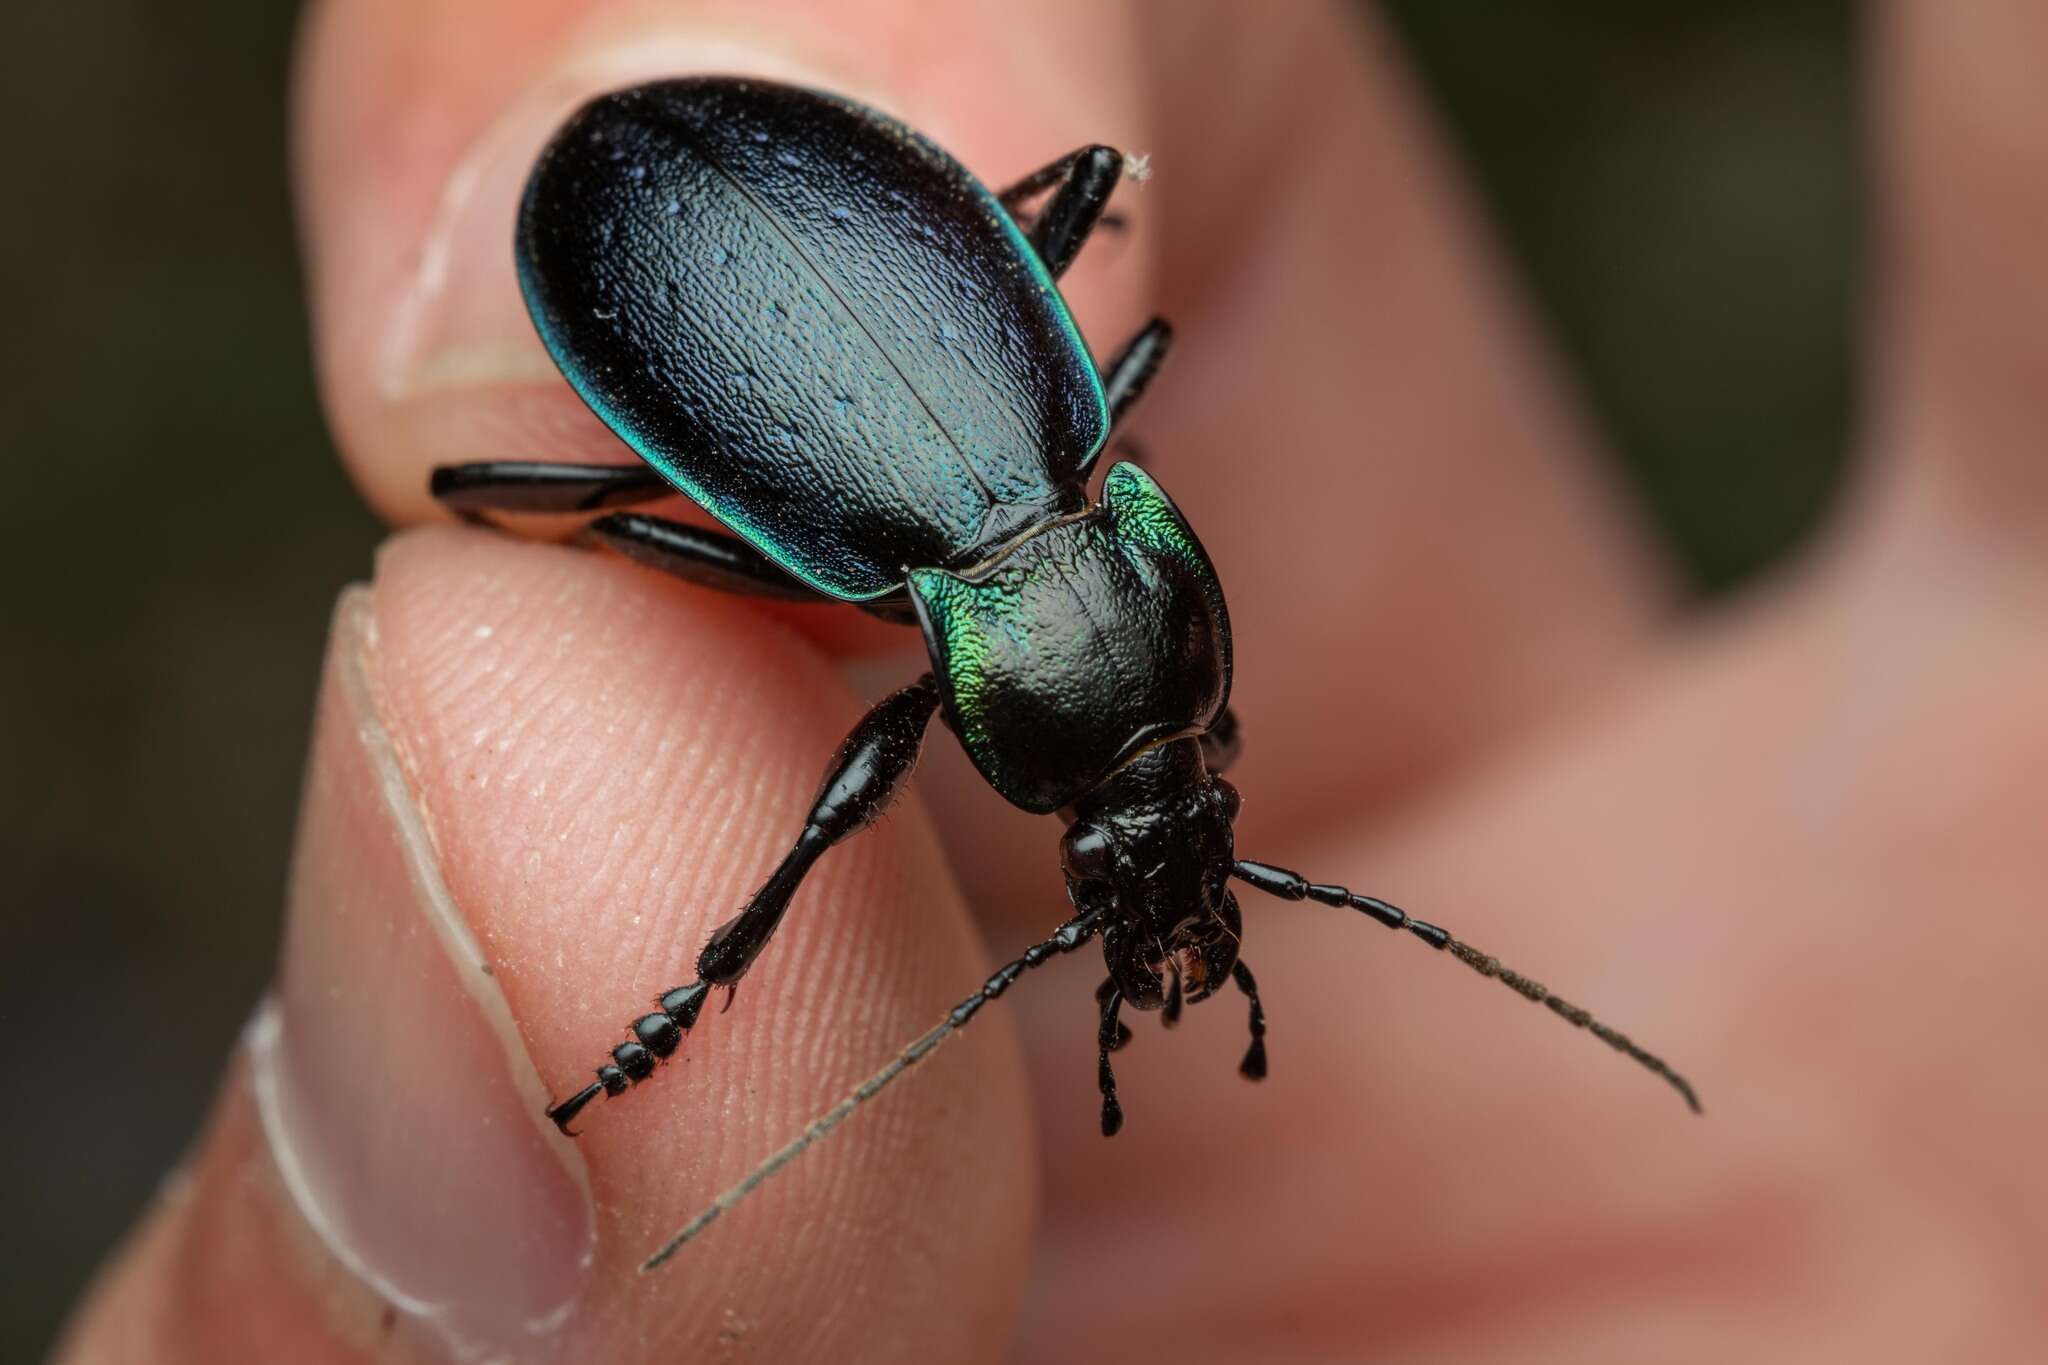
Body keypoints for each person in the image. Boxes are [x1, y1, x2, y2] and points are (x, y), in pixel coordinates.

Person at [54, 2, 2048, 1361]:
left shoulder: (1079, 502)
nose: (1165, 860)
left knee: (571, 501)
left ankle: (693, 994)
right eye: (1181, 800)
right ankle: (705, 993)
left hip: (715, 241)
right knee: (550, 520)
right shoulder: (1032, 535)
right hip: (671, 216)